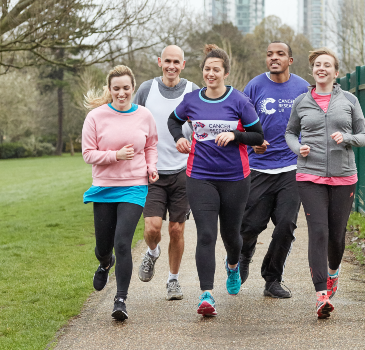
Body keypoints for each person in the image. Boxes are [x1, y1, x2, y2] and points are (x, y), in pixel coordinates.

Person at [168, 44, 264, 317]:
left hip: (235, 178)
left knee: (231, 235)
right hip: (200, 177)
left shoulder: (239, 101)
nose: (211, 74)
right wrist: (180, 138)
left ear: (226, 73)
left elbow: (257, 135)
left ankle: (232, 266)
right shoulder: (192, 100)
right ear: (203, 72)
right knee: (206, 234)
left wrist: (236, 136)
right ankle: (206, 294)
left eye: (216, 70)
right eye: (207, 69)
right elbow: (173, 122)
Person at [285, 48, 365, 319]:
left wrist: (347, 138)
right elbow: (290, 132)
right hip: (309, 175)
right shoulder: (302, 101)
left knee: (336, 235)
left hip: (344, 175)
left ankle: (333, 272)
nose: (322, 69)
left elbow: (364, 135)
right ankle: (321, 295)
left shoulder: (349, 100)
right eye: (317, 65)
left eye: (327, 65)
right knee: (318, 232)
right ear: (313, 71)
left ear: (335, 72)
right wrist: (298, 149)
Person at [82, 65, 159, 321]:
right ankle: (105, 263)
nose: (121, 93)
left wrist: (152, 166)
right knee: (104, 247)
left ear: (132, 88)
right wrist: (115, 155)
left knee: (122, 241)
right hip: (104, 186)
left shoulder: (144, 115)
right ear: (110, 89)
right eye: (116, 88)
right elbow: (88, 154)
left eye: (126, 88)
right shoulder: (95, 117)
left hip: (135, 186)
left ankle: (121, 299)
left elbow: (151, 145)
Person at [238, 41, 309, 298]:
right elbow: (241, 123)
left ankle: (272, 278)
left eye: (280, 54)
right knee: (248, 226)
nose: (274, 58)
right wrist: (252, 142)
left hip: (291, 168)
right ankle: (244, 254)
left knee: (286, 226)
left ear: (290, 60)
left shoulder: (302, 88)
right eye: (269, 55)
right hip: (258, 168)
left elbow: (310, 124)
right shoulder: (255, 86)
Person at [133, 45, 200, 301]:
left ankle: (173, 280)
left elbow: (200, 126)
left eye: (177, 62)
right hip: (152, 171)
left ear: (183, 65)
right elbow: (132, 120)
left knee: (176, 230)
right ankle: (152, 253)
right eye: (167, 61)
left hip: (184, 170)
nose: (171, 66)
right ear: (160, 62)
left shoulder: (193, 90)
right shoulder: (146, 89)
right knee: (152, 228)